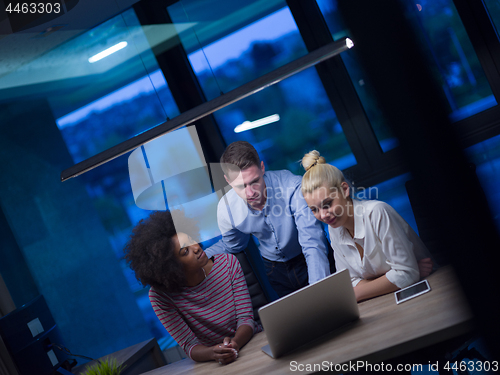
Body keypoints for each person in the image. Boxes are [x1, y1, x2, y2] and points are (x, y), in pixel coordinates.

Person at [123, 210, 262, 365]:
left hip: (251, 344)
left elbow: (246, 319)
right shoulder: (161, 297)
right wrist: (214, 352)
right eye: (185, 251)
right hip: (213, 362)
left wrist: (234, 344)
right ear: (171, 266)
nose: (196, 248)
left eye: (191, 240)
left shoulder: (228, 263)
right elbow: (190, 345)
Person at [301, 150, 434, 302]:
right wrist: (396, 276)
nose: (323, 215)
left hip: (428, 292)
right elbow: (350, 283)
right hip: (386, 300)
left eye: (327, 204)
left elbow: (407, 275)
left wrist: (357, 293)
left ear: (345, 190)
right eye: (314, 210)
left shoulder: (377, 212)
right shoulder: (334, 228)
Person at [205, 141, 331, 297]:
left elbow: (312, 241)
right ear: (228, 181)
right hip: (275, 271)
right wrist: (199, 257)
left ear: (262, 168)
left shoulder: (292, 186)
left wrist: (320, 291)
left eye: (255, 182)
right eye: (241, 186)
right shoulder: (226, 209)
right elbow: (233, 245)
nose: (250, 193)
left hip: (311, 257)